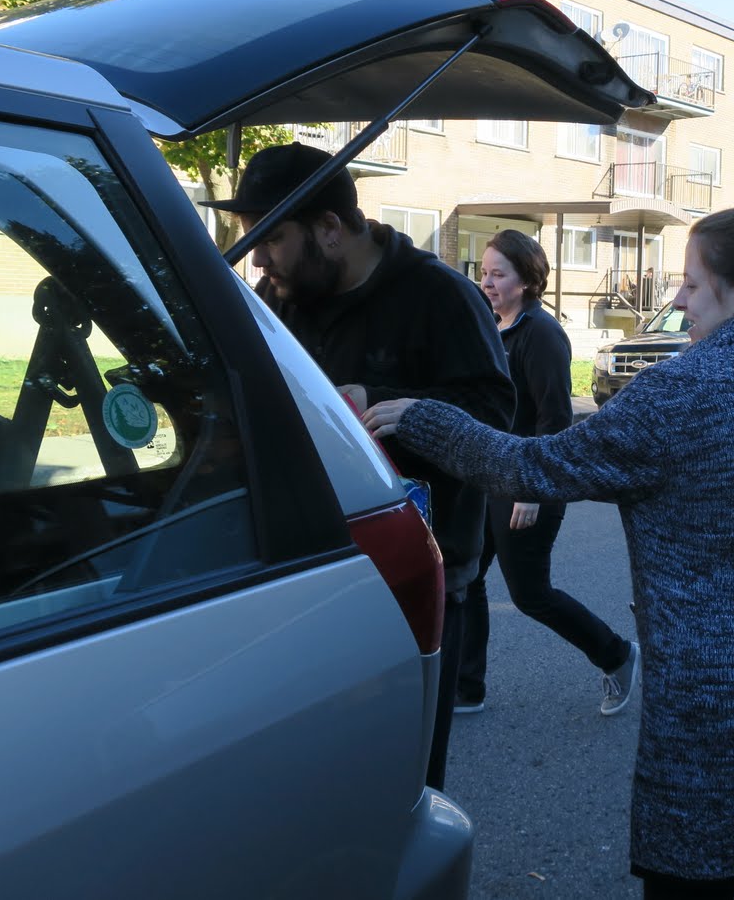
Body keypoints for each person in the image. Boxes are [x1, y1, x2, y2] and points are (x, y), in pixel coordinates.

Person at [363, 207, 734, 900]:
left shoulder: (677, 393)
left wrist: (423, 417)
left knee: (692, 879)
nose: (678, 299)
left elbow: (534, 467)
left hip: (708, 723)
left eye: (691, 284)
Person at [205, 142, 514, 793]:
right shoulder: (282, 294)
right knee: (315, 782)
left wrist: (381, 403)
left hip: (415, 579)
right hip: (304, 569)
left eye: (271, 237)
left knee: (401, 783)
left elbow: (493, 415)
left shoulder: (440, 297)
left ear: (328, 228)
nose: (258, 258)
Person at [457, 229, 639, 716]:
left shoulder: (541, 334)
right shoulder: (492, 326)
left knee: (530, 594)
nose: (487, 282)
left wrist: (533, 489)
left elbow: (555, 419)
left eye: (498, 274)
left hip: (528, 482)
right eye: (484, 272)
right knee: (467, 579)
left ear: (526, 280)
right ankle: (467, 687)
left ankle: (617, 654)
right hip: (486, 478)